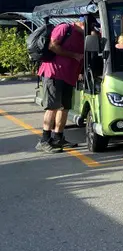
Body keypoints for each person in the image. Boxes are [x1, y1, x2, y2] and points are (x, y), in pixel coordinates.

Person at [37, 20, 85, 153]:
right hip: (53, 73)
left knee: (64, 108)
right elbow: (53, 46)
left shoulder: (82, 37)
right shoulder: (65, 28)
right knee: (52, 107)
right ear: (81, 22)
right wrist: (74, 55)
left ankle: (58, 138)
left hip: (69, 76)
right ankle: (44, 140)